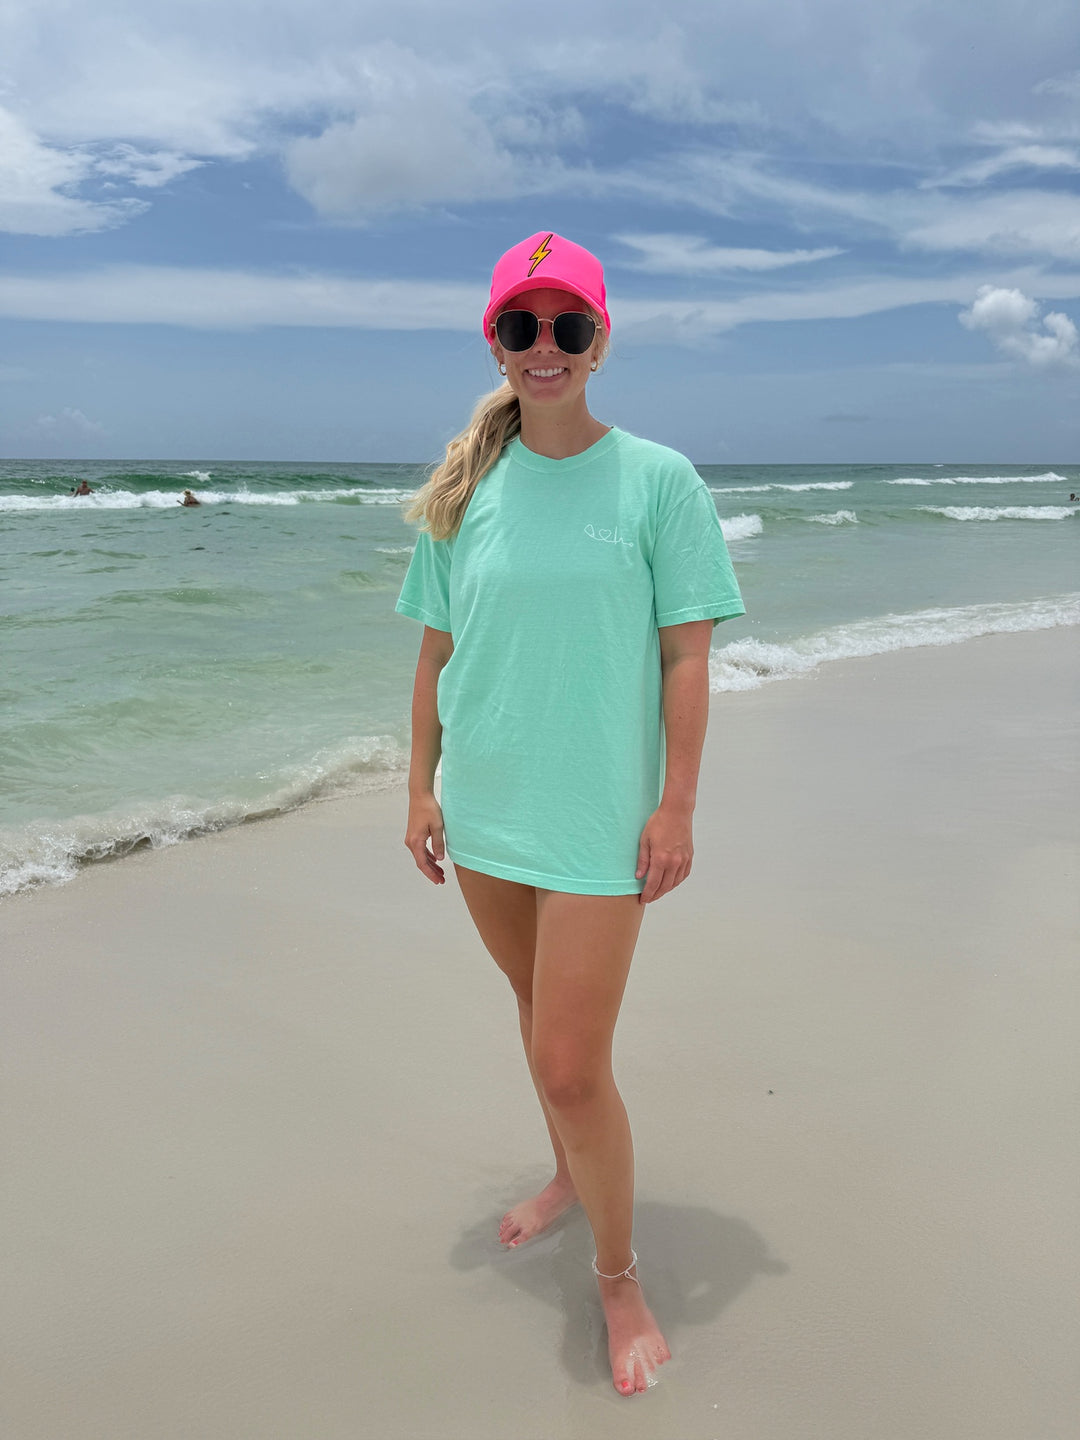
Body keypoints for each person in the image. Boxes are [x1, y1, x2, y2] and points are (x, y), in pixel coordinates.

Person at [394, 231, 745, 1397]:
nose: (544, 349)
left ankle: (616, 1273)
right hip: (487, 807)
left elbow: (685, 659)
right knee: (537, 1016)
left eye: (567, 328)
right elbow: (438, 654)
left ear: (600, 343)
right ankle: (563, 1173)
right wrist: (417, 785)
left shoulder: (658, 481)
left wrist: (676, 807)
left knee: (569, 1064)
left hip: (598, 822)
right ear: (494, 342)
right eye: (521, 327)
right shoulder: (467, 493)